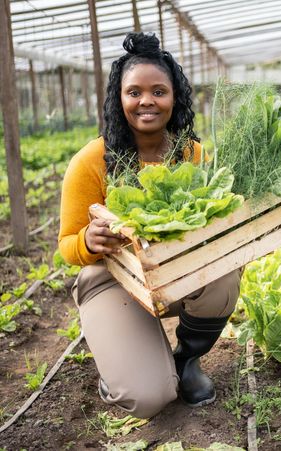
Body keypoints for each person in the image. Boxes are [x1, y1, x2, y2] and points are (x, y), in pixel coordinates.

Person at [58, 32, 241, 419]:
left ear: (175, 97)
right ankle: (129, 367)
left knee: (224, 272)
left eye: (159, 91)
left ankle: (186, 359)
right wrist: (89, 241)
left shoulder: (192, 154)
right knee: (149, 398)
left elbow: (220, 224)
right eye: (134, 92)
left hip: (179, 270)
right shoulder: (92, 160)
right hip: (114, 280)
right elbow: (66, 245)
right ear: (118, 98)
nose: (146, 101)